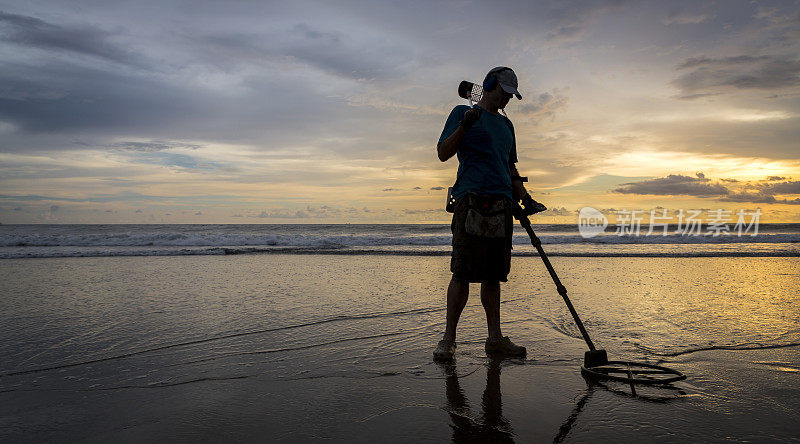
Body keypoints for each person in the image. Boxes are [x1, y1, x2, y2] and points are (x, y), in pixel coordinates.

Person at [434, 66, 529, 360]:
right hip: (470, 200)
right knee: (461, 273)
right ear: (489, 85)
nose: (508, 100)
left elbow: (510, 167)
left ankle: (495, 340)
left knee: (493, 276)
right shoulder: (462, 112)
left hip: (502, 204)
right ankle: (448, 341)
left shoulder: (507, 125)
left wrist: (525, 197)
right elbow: (442, 152)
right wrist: (464, 125)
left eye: (512, 96)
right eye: (505, 93)